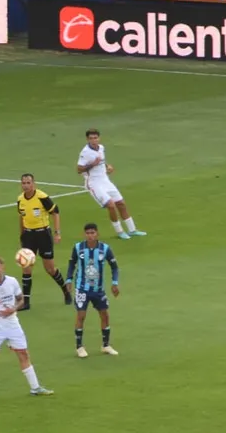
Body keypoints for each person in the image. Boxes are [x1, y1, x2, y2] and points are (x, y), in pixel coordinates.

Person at [0, 257, 54, 398]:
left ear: (2, 268)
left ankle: (35, 388)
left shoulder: (12, 282)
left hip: (13, 325)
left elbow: (21, 300)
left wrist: (13, 309)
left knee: (23, 355)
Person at [76, 129, 146, 240]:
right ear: (87, 139)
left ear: (99, 138)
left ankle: (132, 230)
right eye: (91, 138)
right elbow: (79, 169)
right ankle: (120, 231)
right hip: (94, 183)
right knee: (111, 205)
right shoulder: (85, 153)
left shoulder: (101, 148)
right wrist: (93, 164)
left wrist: (107, 167)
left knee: (121, 204)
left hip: (105, 180)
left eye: (95, 138)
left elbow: (102, 161)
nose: (94, 140)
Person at [16, 173, 71, 310]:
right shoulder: (20, 199)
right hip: (29, 236)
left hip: (43, 235)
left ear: (34, 184)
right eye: (24, 183)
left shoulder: (42, 197)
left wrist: (57, 232)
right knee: (26, 267)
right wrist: (22, 235)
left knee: (50, 268)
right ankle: (26, 302)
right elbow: (22, 217)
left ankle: (66, 291)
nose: (26, 186)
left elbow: (55, 212)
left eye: (28, 183)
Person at [65, 223, 119, 358]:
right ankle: (79, 347)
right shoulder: (78, 248)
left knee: (105, 315)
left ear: (97, 234)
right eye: (88, 233)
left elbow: (114, 267)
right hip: (82, 289)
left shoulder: (105, 249)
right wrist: (69, 279)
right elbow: (72, 263)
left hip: (98, 289)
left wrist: (114, 283)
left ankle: (106, 345)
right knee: (81, 316)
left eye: (92, 233)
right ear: (85, 234)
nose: (90, 235)